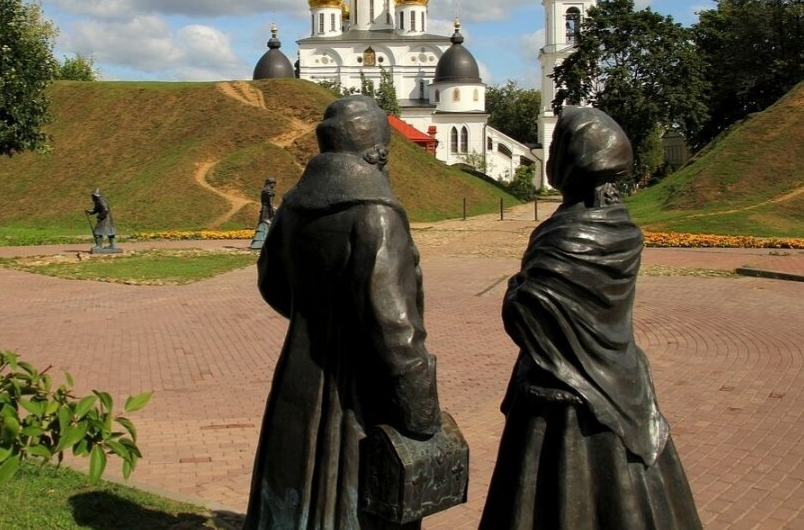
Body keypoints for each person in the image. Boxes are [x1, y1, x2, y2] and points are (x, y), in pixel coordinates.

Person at [479, 107, 701, 529]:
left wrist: (515, 287)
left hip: (560, 397)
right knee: (626, 489)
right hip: (625, 378)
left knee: (552, 494)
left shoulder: (562, 235)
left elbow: (525, 314)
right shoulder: (624, 230)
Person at [244, 95, 441, 529]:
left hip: (298, 372)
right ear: (379, 152)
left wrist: (313, 317)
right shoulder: (376, 217)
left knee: (293, 493)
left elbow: (271, 282)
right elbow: (395, 330)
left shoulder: (294, 207)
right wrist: (423, 416)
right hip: (360, 390)